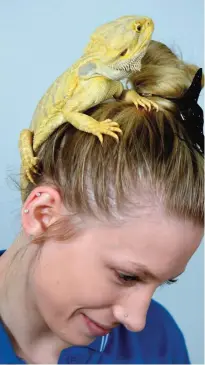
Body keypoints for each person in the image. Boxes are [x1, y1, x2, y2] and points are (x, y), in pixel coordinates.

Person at [0, 40, 203, 364]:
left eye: (161, 283)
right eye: (127, 276)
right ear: (42, 214)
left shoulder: (159, 344)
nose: (136, 320)